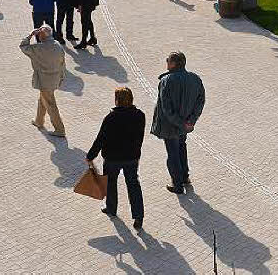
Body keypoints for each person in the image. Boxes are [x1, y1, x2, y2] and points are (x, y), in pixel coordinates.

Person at [87, 87, 146, 228]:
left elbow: (100, 139)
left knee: (111, 183)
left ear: (117, 100)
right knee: (133, 185)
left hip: (112, 158)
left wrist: (91, 156)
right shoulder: (140, 115)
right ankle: (138, 217)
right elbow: (140, 138)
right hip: (131, 158)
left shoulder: (111, 118)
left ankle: (111, 208)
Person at [150, 51, 205, 195]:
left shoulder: (166, 81)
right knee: (182, 148)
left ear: (173, 63)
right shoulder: (195, 79)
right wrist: (190, 121)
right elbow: (200, 101)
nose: (166, 62)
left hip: (170, 126)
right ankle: (185, 177)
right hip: (185, 125)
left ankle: (177, 184)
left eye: (167, 60)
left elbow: (166, 108)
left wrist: (181, 123)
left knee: (173, 154)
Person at [19, 25, 66, 139]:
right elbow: (63, 63)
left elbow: (23, 46)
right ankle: (39, 121)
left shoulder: (38, 48)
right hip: (55, 79)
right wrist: (62, 77)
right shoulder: (58, 46)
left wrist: (30, 35)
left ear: (41, 36)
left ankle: (59, 129)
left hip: (44, 81)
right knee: (43, 99)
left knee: (50, 104)